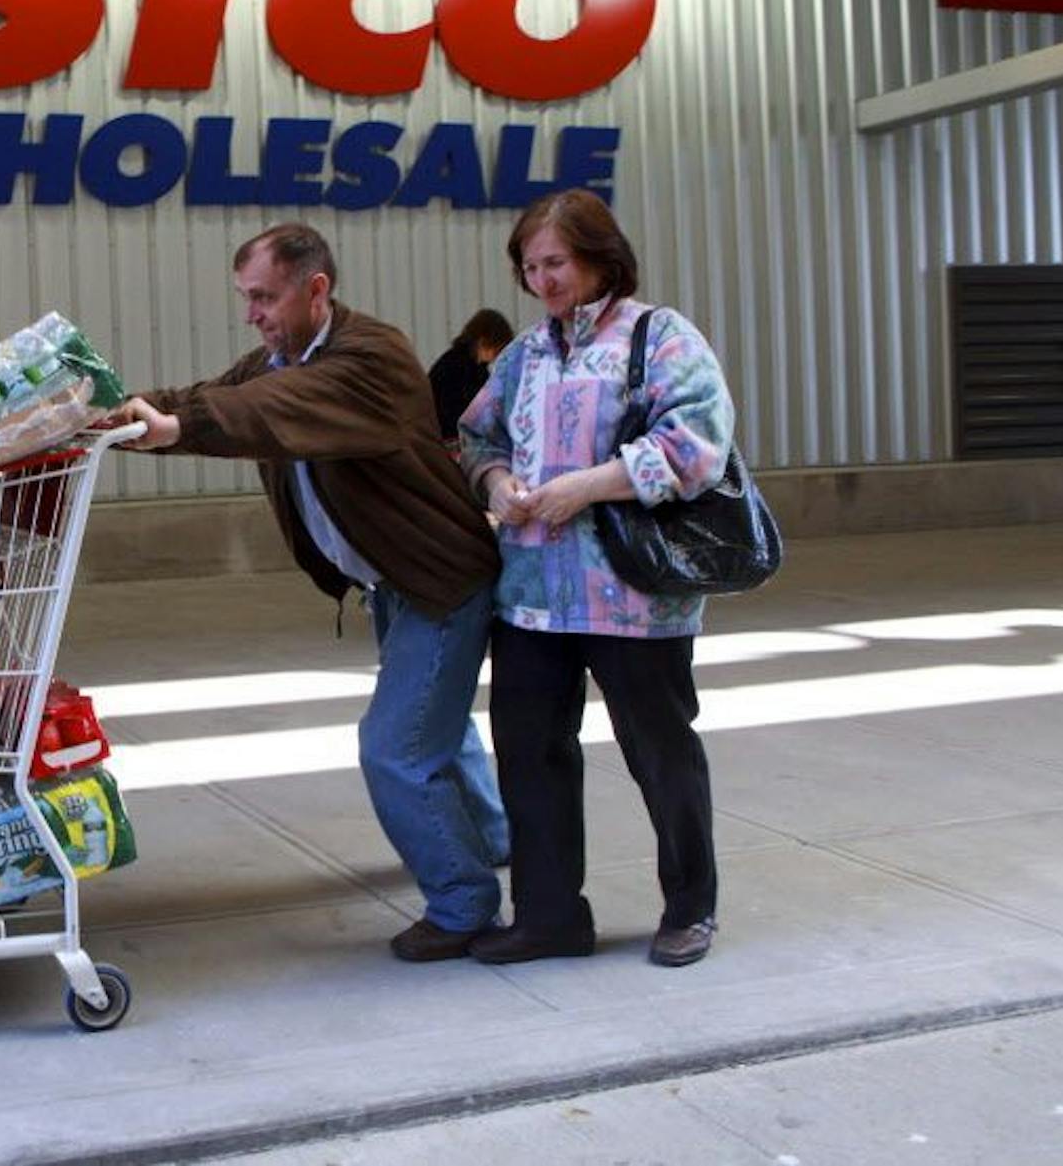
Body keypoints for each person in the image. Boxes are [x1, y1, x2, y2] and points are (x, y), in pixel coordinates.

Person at [102, 223, 510, 962]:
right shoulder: (279, 357)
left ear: (315, 288)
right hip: (393, 581)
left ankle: (464, 900)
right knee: (437, 722)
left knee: (396, 747)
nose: (251, 313)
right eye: (245, 298)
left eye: (264, 296)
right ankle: (495, 836)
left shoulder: (370, 358)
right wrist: (123, 411)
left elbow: (260, 410)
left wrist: (179, 427)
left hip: (439, 580)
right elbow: (217, 393)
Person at [455, 188, 736, 969]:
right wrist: (497, 481)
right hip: (533, 598)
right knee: (530, 752)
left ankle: (690, 907)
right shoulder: (523, 355)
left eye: (557, 262)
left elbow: (698, 444)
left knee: (660, 749)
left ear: (599, 257)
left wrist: (587, 484)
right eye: (531, 265)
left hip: (636, 598)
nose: (543, 279)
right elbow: (475, 434)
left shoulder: (662, 337)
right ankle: (548, 916)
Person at [427, 309, 514, 449]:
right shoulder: (453, 366)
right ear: (483, 341)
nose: (498, 356)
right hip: (445, 441)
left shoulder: (478, 368)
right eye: (498, 350)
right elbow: (455, 413)